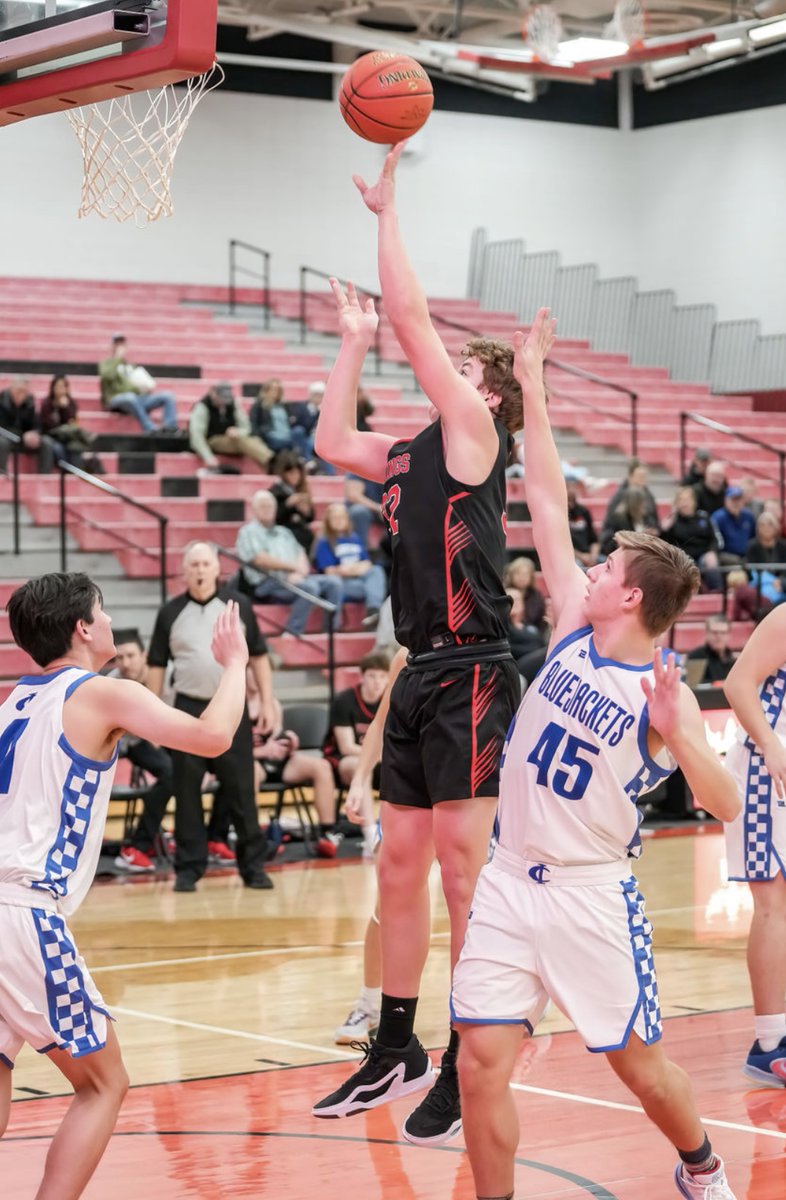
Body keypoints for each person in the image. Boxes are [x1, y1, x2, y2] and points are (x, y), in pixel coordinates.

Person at [450, 307, 741, 1200]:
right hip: (509, 876)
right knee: (479, 1061)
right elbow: (540, 495)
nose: (592, 568)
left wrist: (685, 734)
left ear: (634, 597)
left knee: (641, 1069)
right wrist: (532, 382)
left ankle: (702, 1165)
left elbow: (726, 805)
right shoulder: (577, 620)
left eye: (610, 566)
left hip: (589, 895)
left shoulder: (666, 693)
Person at [311, 142, 522, 1146]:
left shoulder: (474, 433)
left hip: (477, 665)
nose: (454, 365)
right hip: (423, 670)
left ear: (484, 392)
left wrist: (387, 213)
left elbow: (413, 318)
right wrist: (349, 343)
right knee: (396, 863)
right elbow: (327, 444)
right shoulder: (405, 454)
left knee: (460, 872)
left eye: (468, 365)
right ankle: (392, 1045)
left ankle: (463, 1050)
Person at [0, 571, 249, 1200]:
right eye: (104, 611)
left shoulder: (12, 704)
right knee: (104, 1084)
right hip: (25, 911)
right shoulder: (100, 693)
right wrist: (236, 664)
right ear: (83, 628)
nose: (111, 622)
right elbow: (213, 738)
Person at [146, 541, 276, 893]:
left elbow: (260, 656)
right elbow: (156, 665)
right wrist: (153, 714)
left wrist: (268, 699)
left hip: (232, 708)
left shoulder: (239, 607)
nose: (200, 570)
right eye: (194, 565)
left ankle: (253, 868)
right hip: (187, 709)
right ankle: (188, 868)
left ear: (218, 569)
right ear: (184, 571)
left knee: (242, 793)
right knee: (187, 793)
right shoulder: (169, 612)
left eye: (206, 563)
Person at [723, 603, 786, 1092]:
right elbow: (737, 683)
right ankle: (770, 1046)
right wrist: (770, 743)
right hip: (767, 771)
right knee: (773, 903)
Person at [333, 647, 407, 1044]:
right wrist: (360, 780)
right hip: (410, 789)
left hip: (467, 791)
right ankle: (370, 1002)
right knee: (386, 906)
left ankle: (499, 1001)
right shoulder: (406, 655)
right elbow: (379, 724)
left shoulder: (485, 646)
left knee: (483, 907)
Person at [110, 631, 175, 873]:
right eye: (119, 658)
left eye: (131, 656)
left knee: (219, 764)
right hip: (134, 741)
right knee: (171, 773)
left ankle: (212, 839)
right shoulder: (112, 682)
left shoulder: (170, 674)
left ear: (144, 655)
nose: (125, 663)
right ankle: (136, 846)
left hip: (173, 735)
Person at [235, 490, 342, 636]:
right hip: (266, 582)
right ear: (253, 510)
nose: (267, 510)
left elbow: (300, 554)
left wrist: (300, 572)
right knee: (309, 588)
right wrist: (292, 569)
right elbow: (260, 559)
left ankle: (331, 632)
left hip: (295, 578)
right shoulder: (248, 531)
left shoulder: (284, 532)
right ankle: (292, 633)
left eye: (270, 506)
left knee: (334, 583)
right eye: (263, 506)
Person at [312, 502, 388, 629]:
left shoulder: (355, 538)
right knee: (372, 587)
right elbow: (330, 571)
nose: (339, 521)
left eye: (342, 517)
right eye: (335, 518)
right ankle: (374, 615)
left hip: (359, 581)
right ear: (328, 521)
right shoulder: (323, 541)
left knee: (377, 570)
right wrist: (356, 568)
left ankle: (373, 611)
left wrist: (349, 569)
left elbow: (367, 564)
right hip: (341, 585)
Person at [322, 650, 391, 789]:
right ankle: (366, 812)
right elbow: (346, 747)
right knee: (361, 768)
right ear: (362, 677)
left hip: (380, 758)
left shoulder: (392, 701)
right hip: (344, 759)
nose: (377, 682)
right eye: (372, 676)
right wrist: (380, 756)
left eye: (382, 676)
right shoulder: (344, 701)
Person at [98, 334, 178, 434]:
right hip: (115, 398)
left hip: (136, 399)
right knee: (130, 397)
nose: (120, 347)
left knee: (168, 396)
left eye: (122, 344)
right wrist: (117, 358)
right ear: (112, 346)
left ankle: (170, 428)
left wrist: (145, 388)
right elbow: (108, 376)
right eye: (117, 344)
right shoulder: (106, 363)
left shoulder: (130, 366)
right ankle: (150, 428)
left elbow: (140, 384)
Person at [188, 381, 272, 474]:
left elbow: (246, 427)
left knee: (253, 439)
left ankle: (270, 462)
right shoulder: (202, 407)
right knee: (240, 441)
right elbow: (197, 436)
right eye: (221, 398)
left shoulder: (232, 403)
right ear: (213, 393)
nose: (223, 402)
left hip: (232, 438)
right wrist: (208, 457)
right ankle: (271, 460)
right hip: (212, 439)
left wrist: (238, 431)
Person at [661, 486, 722, 592]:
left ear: (694, 502)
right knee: (687, 564)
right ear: (677, 504)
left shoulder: (703, 517)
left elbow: (714, 539)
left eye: (688, 499)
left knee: (711, 560)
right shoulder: (672, 521)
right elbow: (664, 545)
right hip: (683, 558)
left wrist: (712, 551)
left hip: (704, 555)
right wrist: (664, 530)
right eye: (681, 500)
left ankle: (717, 592)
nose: (685, 503)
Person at [39, 375, 102, 475]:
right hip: (52, 436)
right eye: (58, 386)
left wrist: (64, 408)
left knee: (75, 448)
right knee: (58, 449)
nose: (61, 389)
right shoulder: (46, 403)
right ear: (53, 388)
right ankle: (73, 471)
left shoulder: (71, 403)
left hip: (68, 437)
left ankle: (78, 471)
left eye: (63, 386)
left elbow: (72, 422)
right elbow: (49, 425)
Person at [249, 378, 310, 458]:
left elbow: (291, 422)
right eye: (273, 389)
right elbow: (254, 423)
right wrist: (259, 437)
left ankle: (305, 460)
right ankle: (306, 461)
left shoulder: (284, 406)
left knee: (300, 431)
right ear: (266, 390)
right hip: (271, 437)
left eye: (278, 389)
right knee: (297, 444)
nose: (275, 392)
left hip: (287, 435)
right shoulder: (259, 405)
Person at [269, 451, 315, 553]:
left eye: (297, 472)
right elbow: (274, 518)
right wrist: (287, 504)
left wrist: (306, 511)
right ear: (283, 474)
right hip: (282, 533)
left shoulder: (302, 489)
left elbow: (310, 518)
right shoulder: (275, 492)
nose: (295, 476)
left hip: (302, 532)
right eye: (291, 473)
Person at [599, 484, 661, 558]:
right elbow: (612, 544)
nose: (645, 505)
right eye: (642, 503)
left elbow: (657, 531)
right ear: (635, 504)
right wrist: (640, 537)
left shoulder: (647, 517)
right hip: (621, 556)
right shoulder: (618, 519)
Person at [603, 459, 659, 529]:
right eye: (640, 476)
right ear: (630, 477)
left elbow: (655, 520)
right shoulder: (619, 497)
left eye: (644, 476)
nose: (643, 481)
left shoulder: (649, 496)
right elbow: (613, 524)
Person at [712, 485, 757, 565]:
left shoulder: (748, 516)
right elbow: (715, 543)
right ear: (726, 501)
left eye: (738, 499)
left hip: (747, 557)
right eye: (733, 499)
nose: (736, 503)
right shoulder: (718, 517)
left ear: (743, 501)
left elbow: (753, 538)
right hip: (726, 558)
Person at [686, 615, 735, 684]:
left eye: (723, 633)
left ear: (728, 635)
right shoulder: (696, 656)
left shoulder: (731, 658)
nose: (719, 636)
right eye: (715, 632)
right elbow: (694, 684)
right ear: (707, 633)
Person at [565, 474, 600, 568]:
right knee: (578, 566)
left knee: (606, 563)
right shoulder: (559, 514)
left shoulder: (583, 511)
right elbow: (561, 547)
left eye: (574, 487)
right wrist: (581, 556)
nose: (571, 490)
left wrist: (593, 556)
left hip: (588, 555)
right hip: (571, 557)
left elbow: (594, 540)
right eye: (568, 487)